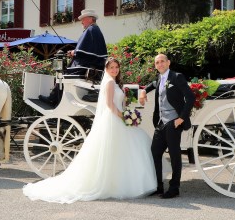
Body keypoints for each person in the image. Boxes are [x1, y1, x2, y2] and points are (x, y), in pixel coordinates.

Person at [23, 58, 157, 203]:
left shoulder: (115, 83)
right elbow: (110, 105)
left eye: (116, 67)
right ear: (106, 69)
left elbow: (122, 101)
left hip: (117, 118)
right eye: (111, 67)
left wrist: (133, 107)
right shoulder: (110, 83)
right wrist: (125, 117)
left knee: (126, 147)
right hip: (114, 118)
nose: (114, 70)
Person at [139, 53, 195, 199]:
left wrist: (181, 118)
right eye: (157, 63)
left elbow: (190, 97)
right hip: (160, 122)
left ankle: (174, 188)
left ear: (168, 62)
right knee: (155, 152)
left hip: (174, 121)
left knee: (175, 155)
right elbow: (152, 84)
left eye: (162, 61)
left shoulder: (177, 77)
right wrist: (144, 90)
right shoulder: (159, 78)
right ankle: (158, 187)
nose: (160, 64)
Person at [39, 9, 107, 106]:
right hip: (92, 67)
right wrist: (75, 52)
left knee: (62, 74)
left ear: (90, 19)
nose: (81, 22)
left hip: (84, 68)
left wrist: (74, 52)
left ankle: (53, 98)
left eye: (83, 19)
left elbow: (83, 51)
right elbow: (91, 51)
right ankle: (57, 98)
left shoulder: (91, 30)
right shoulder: (96, 30)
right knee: (64, 71)